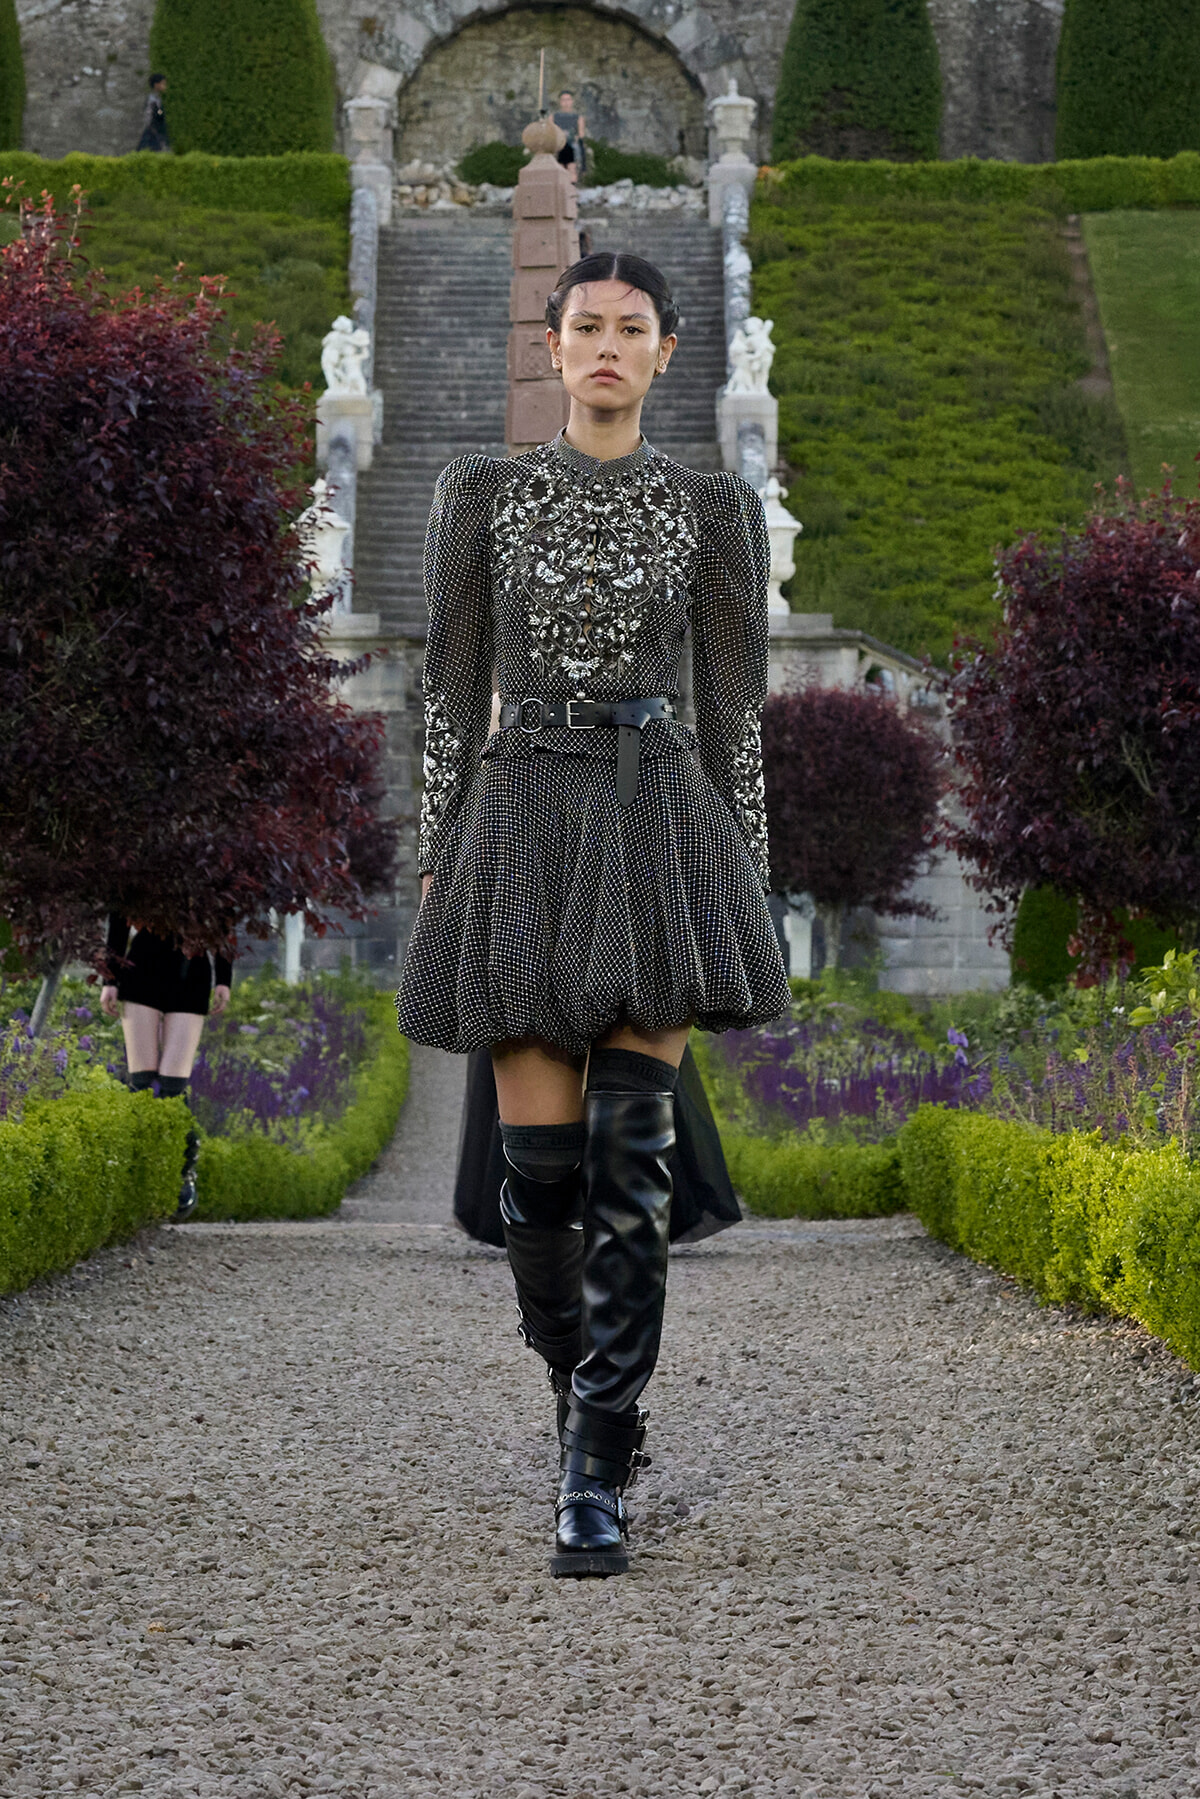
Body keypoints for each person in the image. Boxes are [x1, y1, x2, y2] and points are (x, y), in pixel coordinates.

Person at [396, 250, 790, 1578]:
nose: (608, 345)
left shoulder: (712, 508)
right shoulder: (482, 496)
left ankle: (594, 1466)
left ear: (667, 351)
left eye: (632, 328)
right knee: (540, 1184)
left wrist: (745, 872)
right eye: (587, 326)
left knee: (633, 1164)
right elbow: (449, 685)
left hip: (656, 820)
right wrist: (439, 852)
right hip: (521, 818)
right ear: (553, 345)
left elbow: (735, 710)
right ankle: (582, 1396)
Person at [101, 918, 232, 1219]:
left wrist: (224, 979)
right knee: (141, 1084)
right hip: (142, 967)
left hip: (192, 970)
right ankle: (134, 1175)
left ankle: (183, 1171)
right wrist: (109, 979)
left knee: (174, 1088)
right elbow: (119, 918)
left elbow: (223, 919)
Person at [553, 90, 586, 180]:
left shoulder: (578, 117)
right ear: (560, 102)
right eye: (563, 100)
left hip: (572, 145)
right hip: (559, 145)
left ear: (572, 101)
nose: (566, 103)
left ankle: (573, 179)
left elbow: (581, 134)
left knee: (573, 158)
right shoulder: (554, 117)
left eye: (568, 100)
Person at [136, 74, 170, 153]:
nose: (165, 86)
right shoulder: (152, 100)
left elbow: (159, 112)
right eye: (163, 84)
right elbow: (150, 114)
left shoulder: (157, 99)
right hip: (152, 130)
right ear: (156, 85)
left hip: (157, 129)